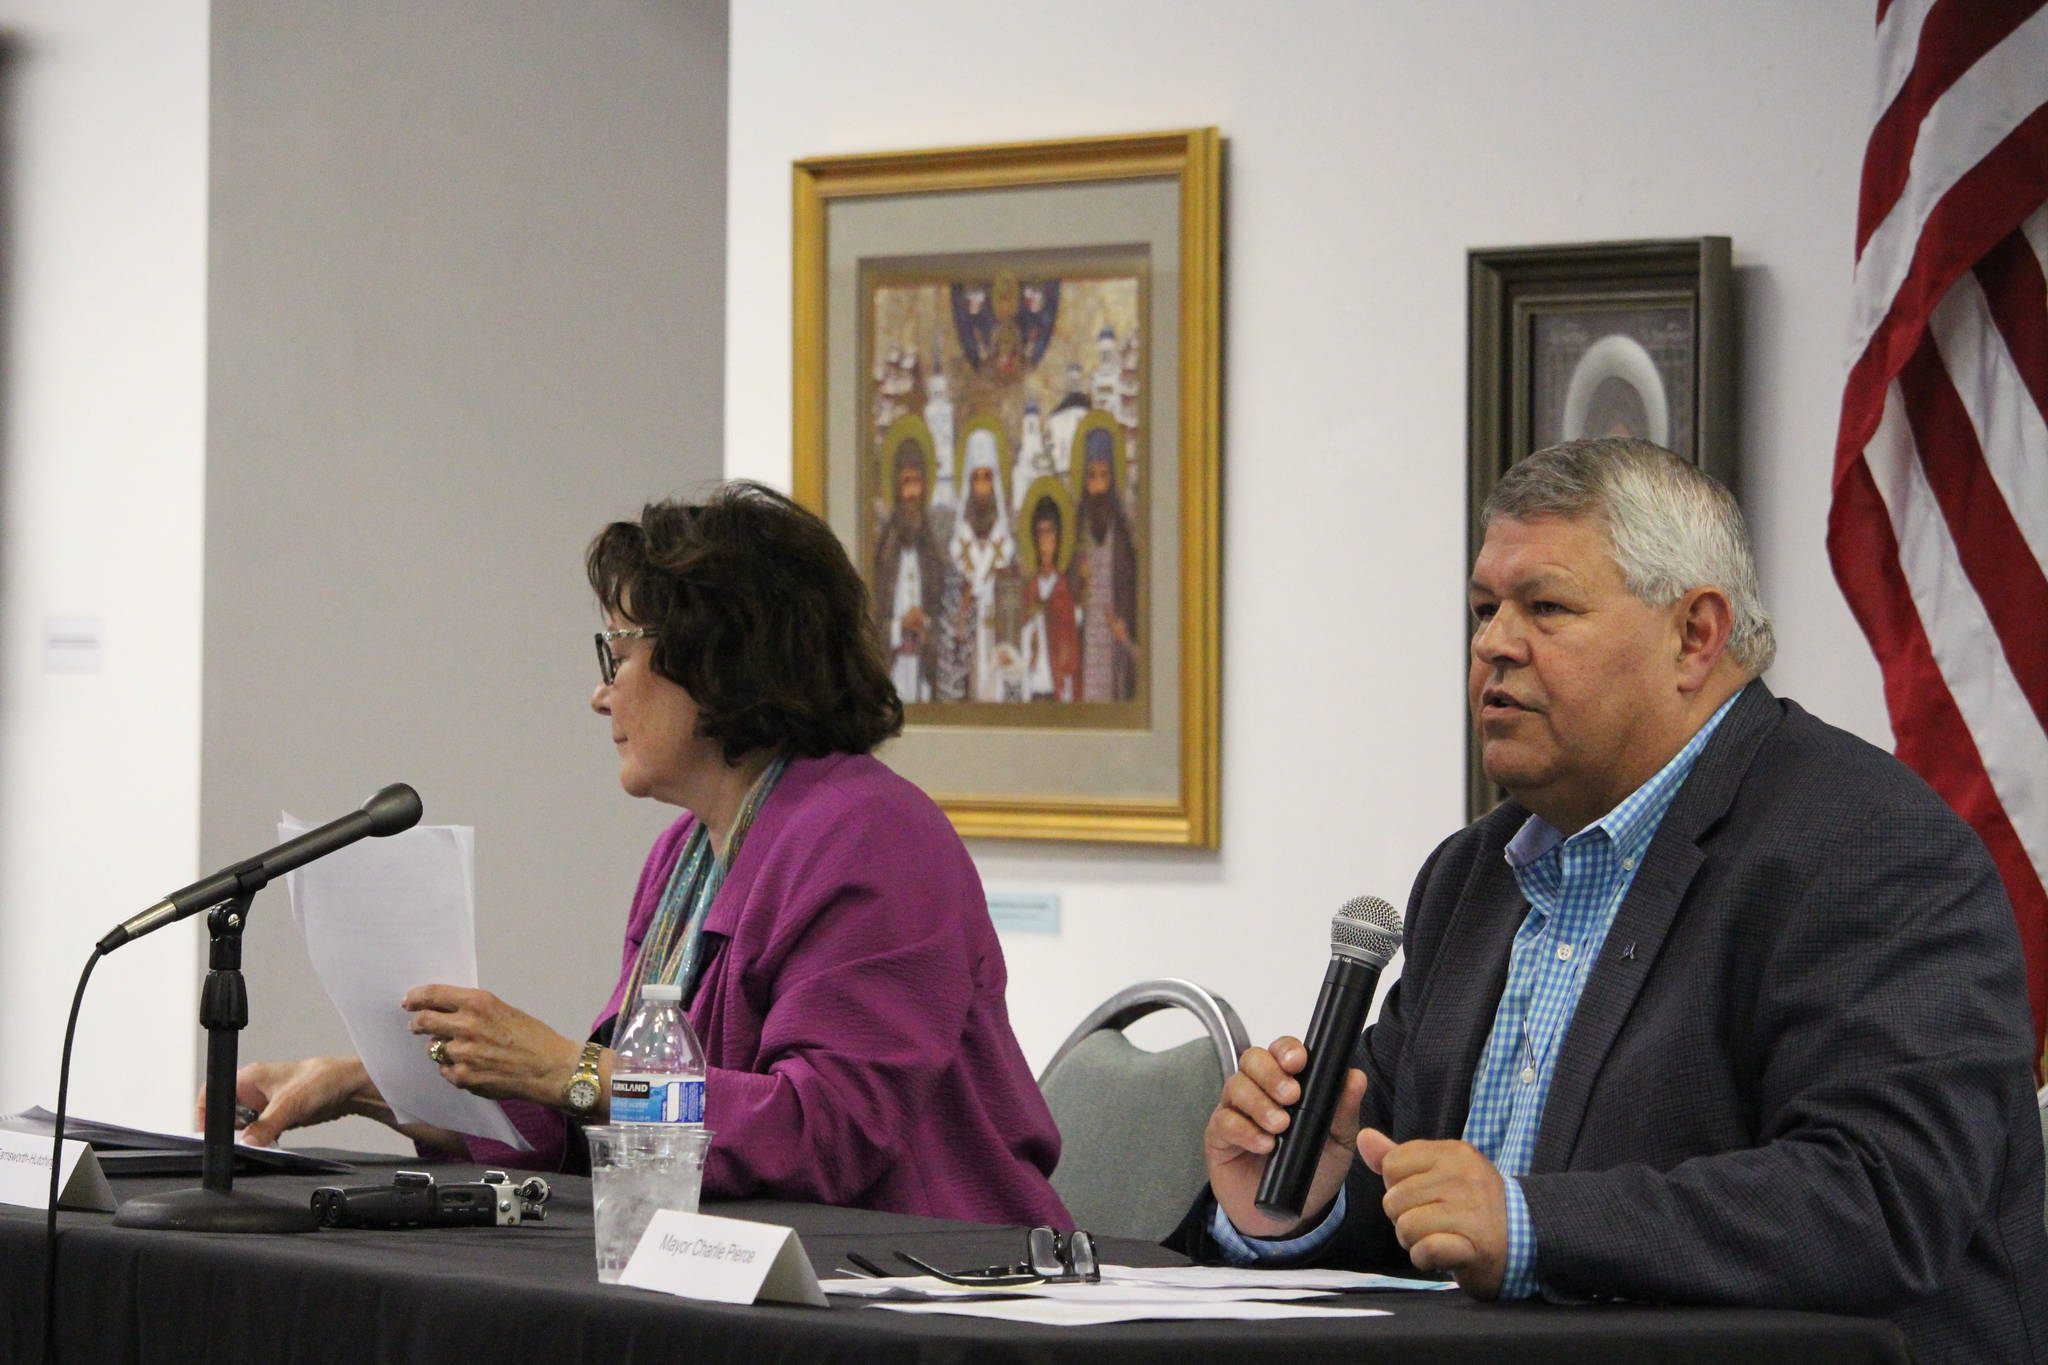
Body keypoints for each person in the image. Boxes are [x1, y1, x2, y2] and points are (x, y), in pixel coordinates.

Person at [1178, 439, 2048, 1362]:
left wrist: (1531, 1224)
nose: (1491, 644)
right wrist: (1301, 1201)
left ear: (1695, 634)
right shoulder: (1471, 874)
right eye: (1483, 610)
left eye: (1545, 607)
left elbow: (1883, 1199)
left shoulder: (1868, 846)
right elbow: (1420, 1210)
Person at [212, 482, 1068, 1227]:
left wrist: (569, 1068)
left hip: (924, 1287)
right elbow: (597, 1122)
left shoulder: (875, 839)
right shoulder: (683, 858)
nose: (600, 692)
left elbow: (821, 1135)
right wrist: (379, 1080)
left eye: (618, 651)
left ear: (719, 655)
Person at [872, 432, 946, 703]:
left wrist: (926, 625)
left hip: (924, 676)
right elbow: (869, 622)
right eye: (906, 483)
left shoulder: (935, 555)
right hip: (890, 673)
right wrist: (899, 626)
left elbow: (944, 617)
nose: (912, 493)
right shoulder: (881, 555)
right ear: (896, 487)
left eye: (917, 483)